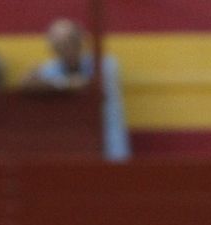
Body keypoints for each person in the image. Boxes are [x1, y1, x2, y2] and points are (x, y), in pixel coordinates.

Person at [20, 18, 130, 160]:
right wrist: (64, 85)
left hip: (109, 147)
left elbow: (85, 85)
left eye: (69, 42)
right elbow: (27, 83)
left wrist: (55, 86)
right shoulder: (52, 69)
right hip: (72, 150)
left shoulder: (106, 65)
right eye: (60, 45)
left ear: (80, 42)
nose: (66, 49)